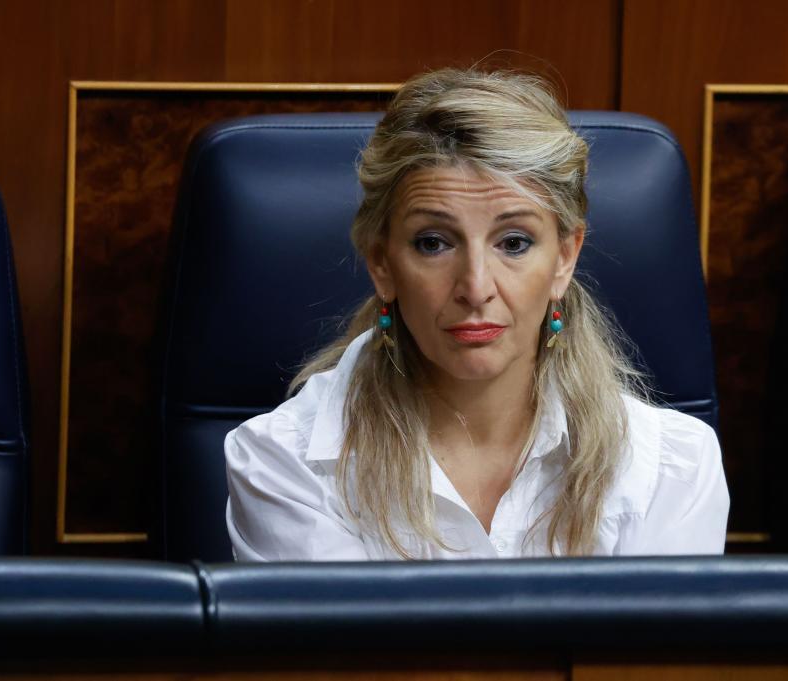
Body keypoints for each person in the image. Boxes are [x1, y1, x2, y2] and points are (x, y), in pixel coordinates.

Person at [224, 67, 729, 560]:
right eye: (433, 243)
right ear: (381, 263)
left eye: (514, 242)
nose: (476, 287)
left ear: (564, 258)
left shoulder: (671, 466)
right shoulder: (283, 462)